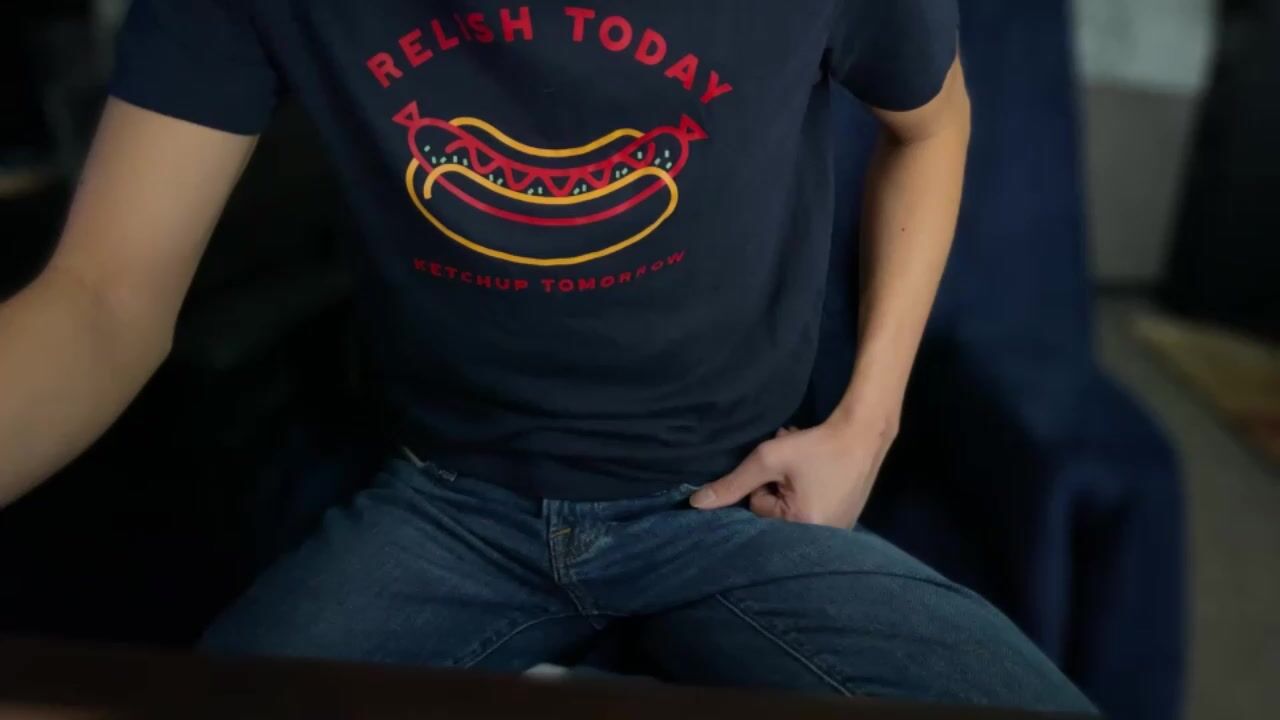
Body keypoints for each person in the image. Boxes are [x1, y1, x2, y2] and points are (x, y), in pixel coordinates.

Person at [0, 1, 1095, 713]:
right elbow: (100, 295)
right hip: (448, 506)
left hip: (733, 501)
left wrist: (867, 423)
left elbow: (930, 125)